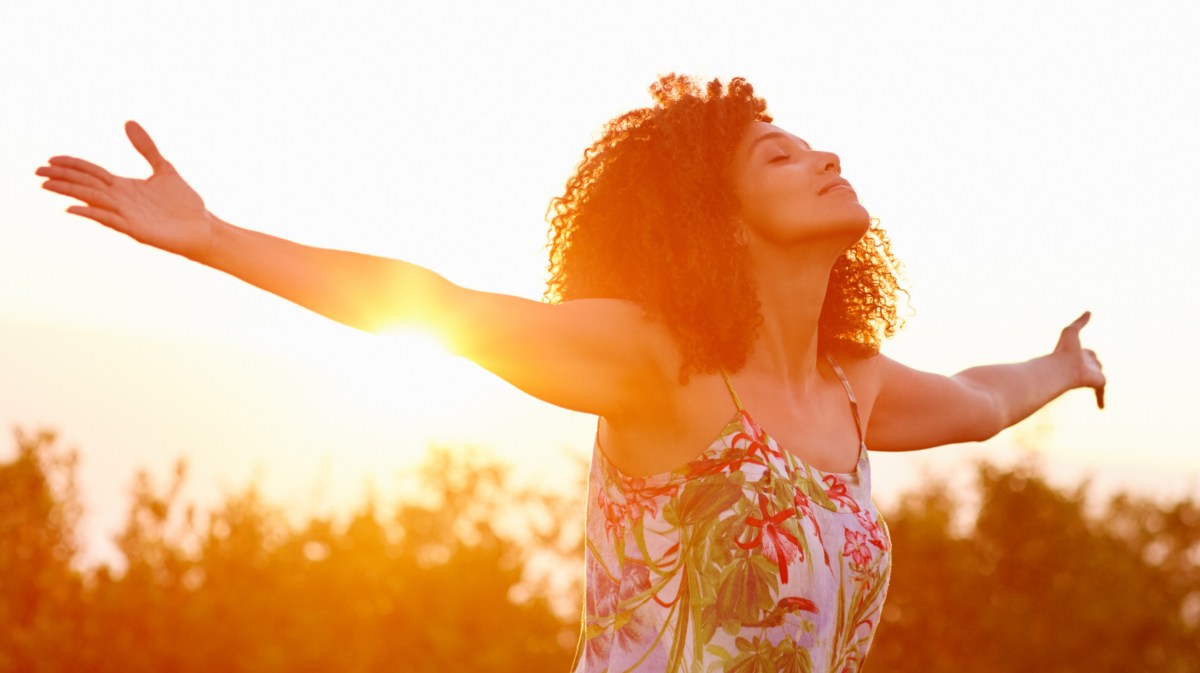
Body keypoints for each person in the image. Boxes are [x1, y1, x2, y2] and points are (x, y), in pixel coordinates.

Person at [38, 74, 1104, 672]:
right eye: (779, 156)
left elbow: (979, 401)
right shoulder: (657, 364)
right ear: (716, 227)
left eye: (814, 146)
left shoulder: (852, 388)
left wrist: (1062, 364)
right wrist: (213, 236)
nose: (824, 157)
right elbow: (440, 307)